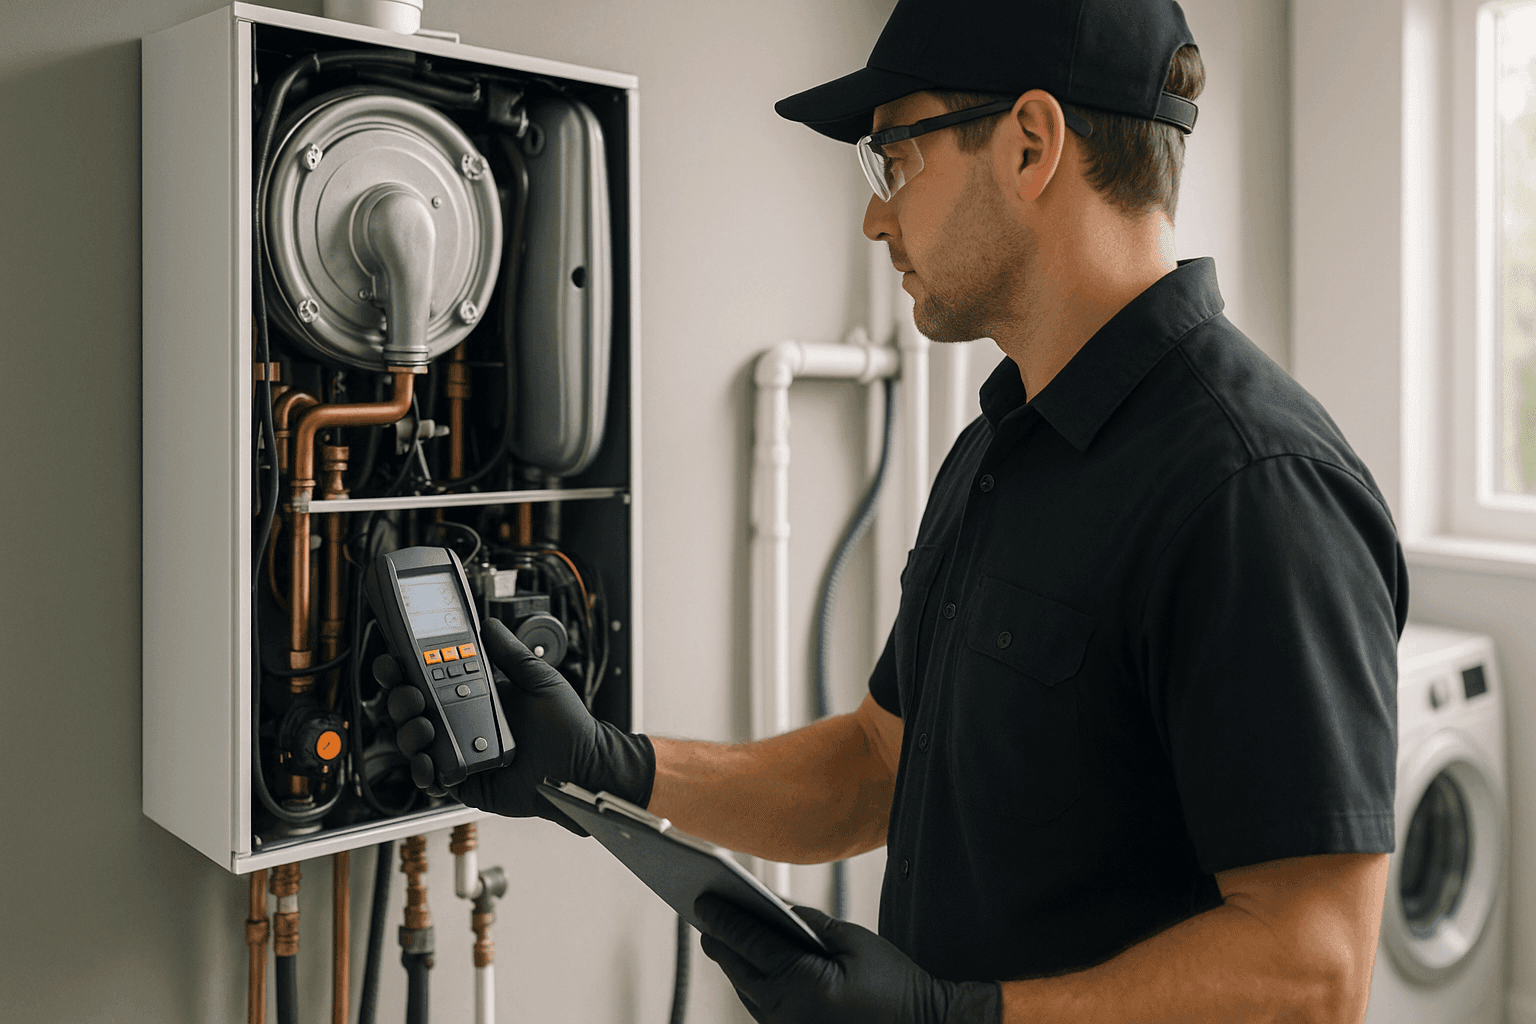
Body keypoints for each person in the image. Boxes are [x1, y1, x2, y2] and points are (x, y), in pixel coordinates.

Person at [386, 0, 1408, 1020]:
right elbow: (880, 760)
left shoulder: (1254, 487)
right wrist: (610, 768)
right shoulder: (1003, 449)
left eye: (894, 160)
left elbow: (1314, 968)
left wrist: (952, 1017)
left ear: (1030, 144)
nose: (876, 216)